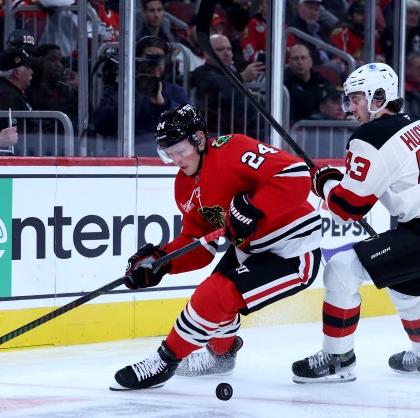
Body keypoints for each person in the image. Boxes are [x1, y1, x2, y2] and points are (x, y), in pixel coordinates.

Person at [291, 62, 420, 383]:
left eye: (355, 99)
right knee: (406, 285)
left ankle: (338, 359)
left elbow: (348, 208)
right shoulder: (415, 122)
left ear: (378, 97)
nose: (349, 107)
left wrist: (324, 181)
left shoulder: (370, 135)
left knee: (341, 268)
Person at [111, 103, 323, 390]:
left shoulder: (232, 149)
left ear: (199, 139)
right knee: (216, 296)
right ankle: (221, 355)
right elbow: (199, 245)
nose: (175, 159)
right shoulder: (183, 186)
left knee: (216, 294)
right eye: (167, 152)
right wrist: (162, 261)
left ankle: (164, 361)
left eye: (179, 150)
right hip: (249, 249)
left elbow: (295, 174)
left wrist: (253, 208)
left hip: (293, 249)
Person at [93, 36, 188, 156]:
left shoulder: (175, 91)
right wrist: (120, 96)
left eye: (159, 59)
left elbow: (187, 125)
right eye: (149, 58)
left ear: (166, 62)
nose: (155, 64)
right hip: (123, 154)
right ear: (137, 60)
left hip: (163, 156)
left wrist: (163, 104)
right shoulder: (120, 88)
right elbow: (100, 125)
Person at [190, 34, 264, 137]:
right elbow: (221, 88)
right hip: (219, 134)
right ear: (207, 54)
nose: (227, 53)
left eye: (229, 49)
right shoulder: (201, 73)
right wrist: (242, 77)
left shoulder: (233, 72)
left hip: (245, 130)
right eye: (220, 49)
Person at [0, 48, 35, 155]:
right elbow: (15, 137)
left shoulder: (2, 91)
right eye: (29, 68)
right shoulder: (8, 96)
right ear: (16, 73)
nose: (32, 72)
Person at [284, 44, 328, 124]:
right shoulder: (283, 85)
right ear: (289, 63)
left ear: (310, 61)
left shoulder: (321, 81)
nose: (300, 62)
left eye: (303, 58)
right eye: (295, 58)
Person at [289, 0, 333, 66]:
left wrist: (336, 59)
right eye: (310, 8)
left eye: (316, 9)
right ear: (299, 8)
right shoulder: (295, 29)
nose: (313, 12)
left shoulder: (321, 28)